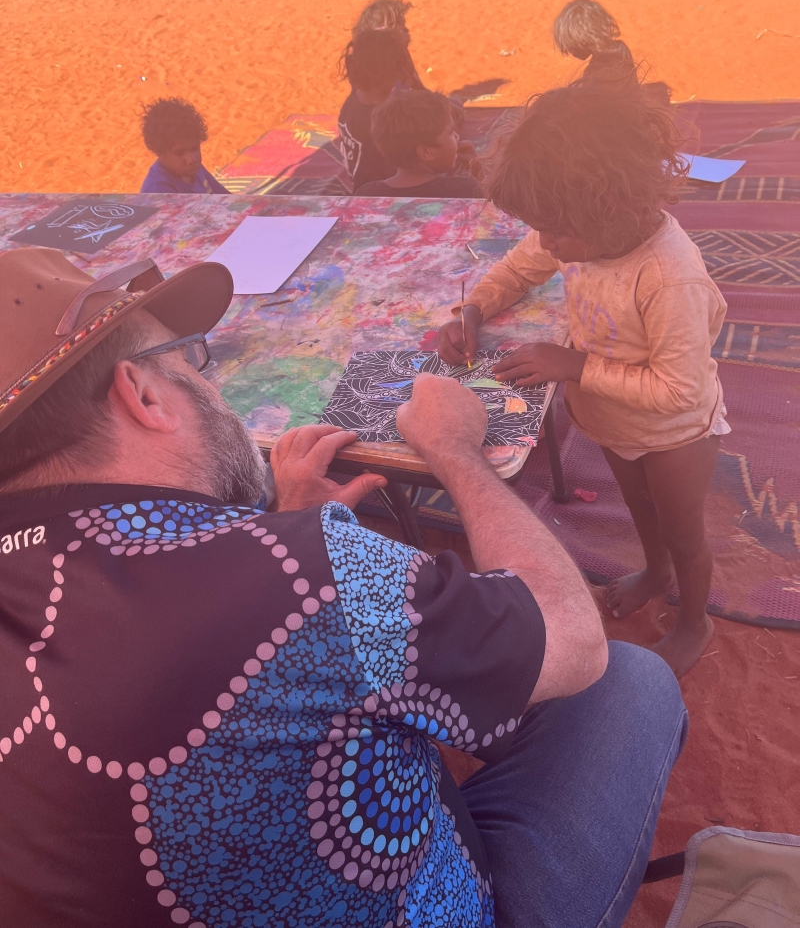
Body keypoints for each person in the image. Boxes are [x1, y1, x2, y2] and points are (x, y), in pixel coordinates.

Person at [0, 245, 687, 927]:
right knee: (630, 678)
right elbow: (569, 634)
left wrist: (281, 528)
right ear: (144, 394)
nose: (210, 387)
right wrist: (455, 449)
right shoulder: (304, 573)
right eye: (190, 361)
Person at [438, 77, 728, 678]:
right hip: (611, 416)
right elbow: (520, 266)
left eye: (555, 230)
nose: (545, 241)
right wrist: (475, 307)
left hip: (675, 433)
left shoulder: (670, 278)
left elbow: (682, 391)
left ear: (607, 207)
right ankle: (654, 571)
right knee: (639, 507)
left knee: (682, 529)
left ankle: (694, 620)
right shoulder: (580, 229)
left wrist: (575, 366)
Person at [356, 89, 484, 198]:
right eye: (450, 132)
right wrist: (479, 174)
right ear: (425, 152)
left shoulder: (366, 194)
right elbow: (496, 211)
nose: (457, 137)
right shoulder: (466, 191)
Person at [337, 29, 417, 191]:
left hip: (364, 187)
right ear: (388, 71)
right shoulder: (383, 120)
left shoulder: (352, 102)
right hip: (379, 193)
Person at [140, 98, 230, 195]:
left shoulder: (192, 168)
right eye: (179, 153)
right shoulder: (158, 191)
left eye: (195, 148)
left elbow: (225, 197)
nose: (191, 159)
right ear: (159, 152)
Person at [553, 0, 636, 81]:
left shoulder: (596, 73)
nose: (569, 51)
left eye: (570, 45)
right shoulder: (620, 48)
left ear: (584, 38)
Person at [352, 0, 426, 88]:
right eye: (399, 25)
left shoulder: (401, 52)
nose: (406, 30)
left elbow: (417, 86)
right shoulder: (375, 71)